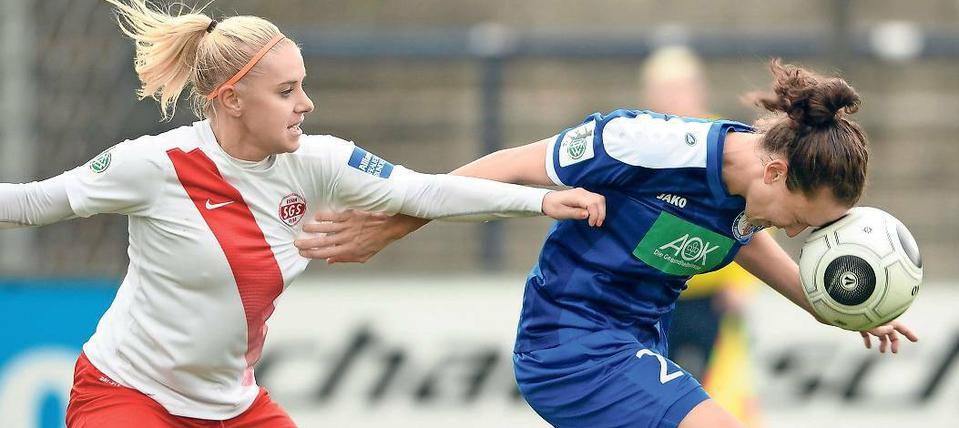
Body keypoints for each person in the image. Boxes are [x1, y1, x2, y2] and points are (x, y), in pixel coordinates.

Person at [0, 1, 607, 427]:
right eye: (286, 91)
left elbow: (426, 192)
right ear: (231, 100)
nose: (306, 103)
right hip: (126, 396)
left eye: (303, 86)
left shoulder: (318, 161)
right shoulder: (153, 165)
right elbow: (29, 204)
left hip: (232, 408)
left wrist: (541, 202)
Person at [296, 59, 920, 427]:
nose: (790, 230)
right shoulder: (641, 144)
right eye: (796, 217)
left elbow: (744, 242)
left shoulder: (750, 198)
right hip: (570, 343)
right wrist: (399, 218)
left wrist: (829, 307)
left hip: (637, 343)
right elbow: (514, 166)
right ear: (777, 171)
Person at [641, 45, 762, 426]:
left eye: (682, 87)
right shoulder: (639, 140)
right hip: (654, 297)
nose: (675, 97)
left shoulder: (727, 145)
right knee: (653, 393)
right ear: (650, 94)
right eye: (665, 89)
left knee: (721, 390)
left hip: (712, 295)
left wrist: (742, 286)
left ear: (699, 89)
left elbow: (753, 215)